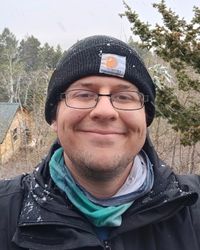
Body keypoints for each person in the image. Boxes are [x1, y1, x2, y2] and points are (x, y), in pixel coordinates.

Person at [0, 35, 200, 250]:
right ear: (54, 118)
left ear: (145, 119)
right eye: (84, 94)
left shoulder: (193, 210)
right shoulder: (5, 211)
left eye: (124, 97)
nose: (105, 111)